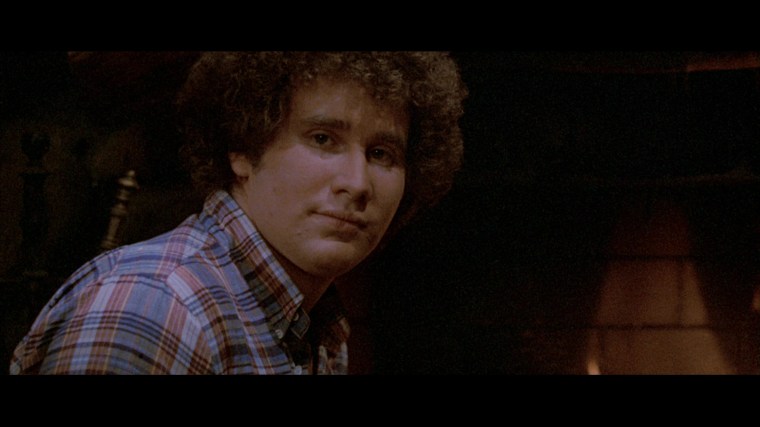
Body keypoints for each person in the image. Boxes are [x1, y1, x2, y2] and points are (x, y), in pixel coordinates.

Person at [9, 51, 467, 374]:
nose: (358, 182)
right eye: (323, 139)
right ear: (243, 149)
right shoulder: (154, 308)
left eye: (382, 154)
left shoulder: (316, 328)